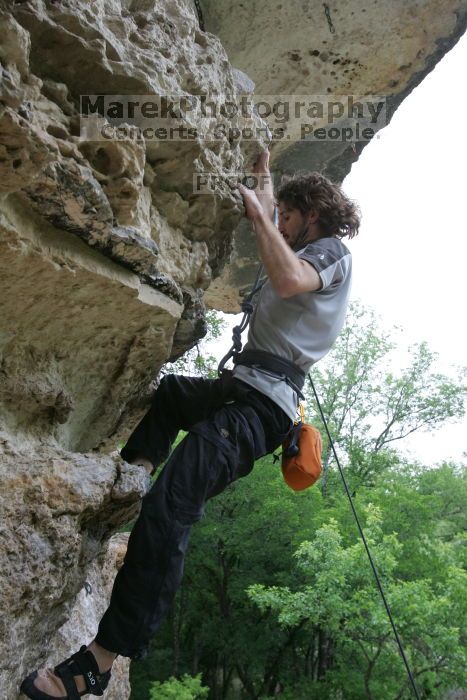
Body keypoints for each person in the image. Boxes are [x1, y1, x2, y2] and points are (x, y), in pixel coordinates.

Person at [20, 150, 360, 698]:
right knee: (172, 394)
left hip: (261, 409)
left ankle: (100, 662)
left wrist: (260, 214)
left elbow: (293, 279)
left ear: (313, 215)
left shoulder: (330, 253)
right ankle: (136, 475)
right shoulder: (302, 239)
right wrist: (265, 179)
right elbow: (272, 219)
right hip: (240, 390)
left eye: (289, 218)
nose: (280, 226)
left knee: (172, 508)